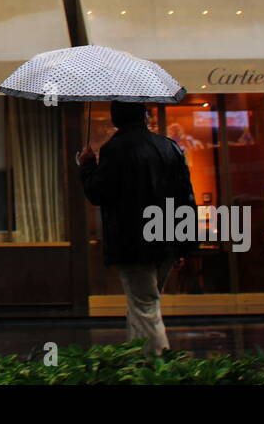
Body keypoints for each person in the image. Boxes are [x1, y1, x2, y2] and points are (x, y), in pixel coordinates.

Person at [77, 101, 195, 355]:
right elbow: (186, 196)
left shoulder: (115, 150)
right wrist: (184, 243)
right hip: (166, 237)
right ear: (144, 116)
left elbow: (98, 192)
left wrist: (87, 165)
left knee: (144, 304)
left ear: (116, 118)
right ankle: (138, 359)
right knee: (145, 303)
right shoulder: (169, 147)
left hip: (132, 241)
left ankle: (156, 364)